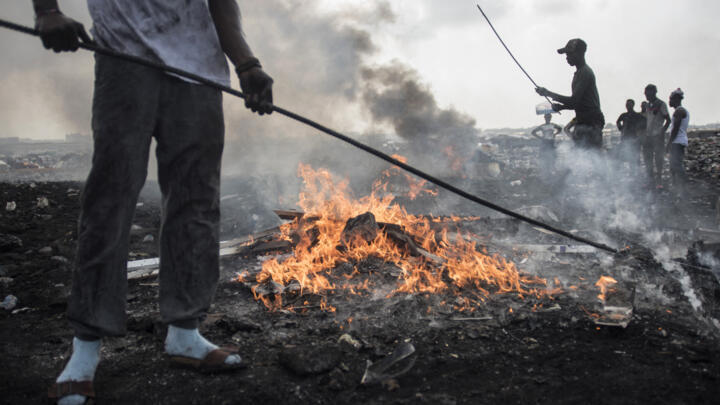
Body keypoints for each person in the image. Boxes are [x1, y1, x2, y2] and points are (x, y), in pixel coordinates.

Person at [33, 0, 274, 403]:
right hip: (124, 60)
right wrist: (46, 12)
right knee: (109, 201)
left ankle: (184, 333)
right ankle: (84, 351)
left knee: (196, 203)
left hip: (199, 73)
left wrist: (247, 64)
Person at [536, 38, 605, 149]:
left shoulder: (585, 73)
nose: (567, 58)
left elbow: (574, 101)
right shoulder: (580, 73)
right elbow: (577, 103)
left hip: (591, 122)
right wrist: (561, 107)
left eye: (569, 54)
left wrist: (548, 93)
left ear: (578, 54)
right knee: (583, 156)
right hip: (584, 121)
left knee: (589, 156)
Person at [642, 84, 671, 188]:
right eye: (645, 93)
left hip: (657, 136)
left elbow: (668, 120)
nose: (646, 95)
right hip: (648, 136)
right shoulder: (647, 105)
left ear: (653, 92)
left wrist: (662, 131)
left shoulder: (661, 104)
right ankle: (650, 180)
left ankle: (659, 182)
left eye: (647, 93)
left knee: (658, 159)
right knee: (647, 159)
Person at [666, 88, 689, 192]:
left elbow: (675, 129)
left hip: (677, 142)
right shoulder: (680, 111)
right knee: (673, 165)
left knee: (676, 165)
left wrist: (669, 143)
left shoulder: (679, 111)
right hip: (678, 142)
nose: (669, 101)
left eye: (670, 99)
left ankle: (683, 186)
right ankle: (676, 187)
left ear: (676, 99)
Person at [615, 99, 645, 174]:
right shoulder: (624, 115)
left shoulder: (637, 115)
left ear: (633, 105)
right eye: (627, 104)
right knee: (626, 156)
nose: (628, 106)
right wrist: (620, 128)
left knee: (636, 157)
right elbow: (618, 121)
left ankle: (637, 174)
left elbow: (645, 123)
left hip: (635, 139)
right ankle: (631, 174)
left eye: (629, 104)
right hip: (625, 139)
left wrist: (639, 130)